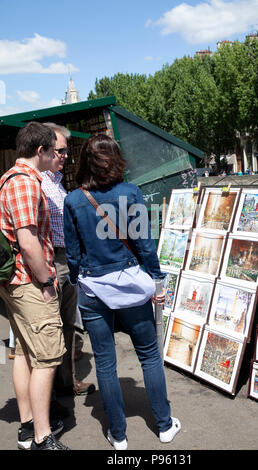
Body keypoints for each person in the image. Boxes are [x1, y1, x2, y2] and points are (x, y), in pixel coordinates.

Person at [63, 133, 181, 450]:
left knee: (105, 363)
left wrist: (78, 279)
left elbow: (72, 253)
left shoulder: (73, 200)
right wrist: (156, 281)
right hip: (130, 286)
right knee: (150, 358)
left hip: (92, 290)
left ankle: (118, 434)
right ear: (116, 160)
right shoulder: (131, 193)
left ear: (84, 162)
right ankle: (165, 426)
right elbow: (144, 245)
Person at [0, 122, 69, 450]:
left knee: (25, 354)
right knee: (46, 357)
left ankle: (29, 427)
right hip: (29, 282)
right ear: (40, 151)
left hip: (14, 282)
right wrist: (45, 281)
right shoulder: (26, 184)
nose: (57, 156)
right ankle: (43, 437)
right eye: (53, 151)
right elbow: (28, 242)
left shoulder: (8, 178)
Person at [41, 122, 95, 404]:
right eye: (61, 150)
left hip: (65, 260)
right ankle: (52, 396)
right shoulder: (39, 182)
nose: (65, 156)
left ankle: (65, 385)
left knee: (66, 325)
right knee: (53, 328)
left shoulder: (55, 183)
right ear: (46, 149)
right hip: (52, 261)